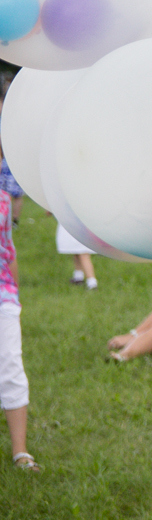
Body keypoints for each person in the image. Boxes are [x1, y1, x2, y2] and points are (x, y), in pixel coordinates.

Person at [1, 186, 38, 472]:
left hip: (3, 297)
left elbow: (8, 249)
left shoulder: (3, 200)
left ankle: (20, 451)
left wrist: (15, 293)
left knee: (11, 366)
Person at [56, 223, 97, 290]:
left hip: (79, 227)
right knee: (76, 251)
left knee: (83, 254)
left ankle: (92, 283)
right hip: (76, 226)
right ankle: (78, 277)